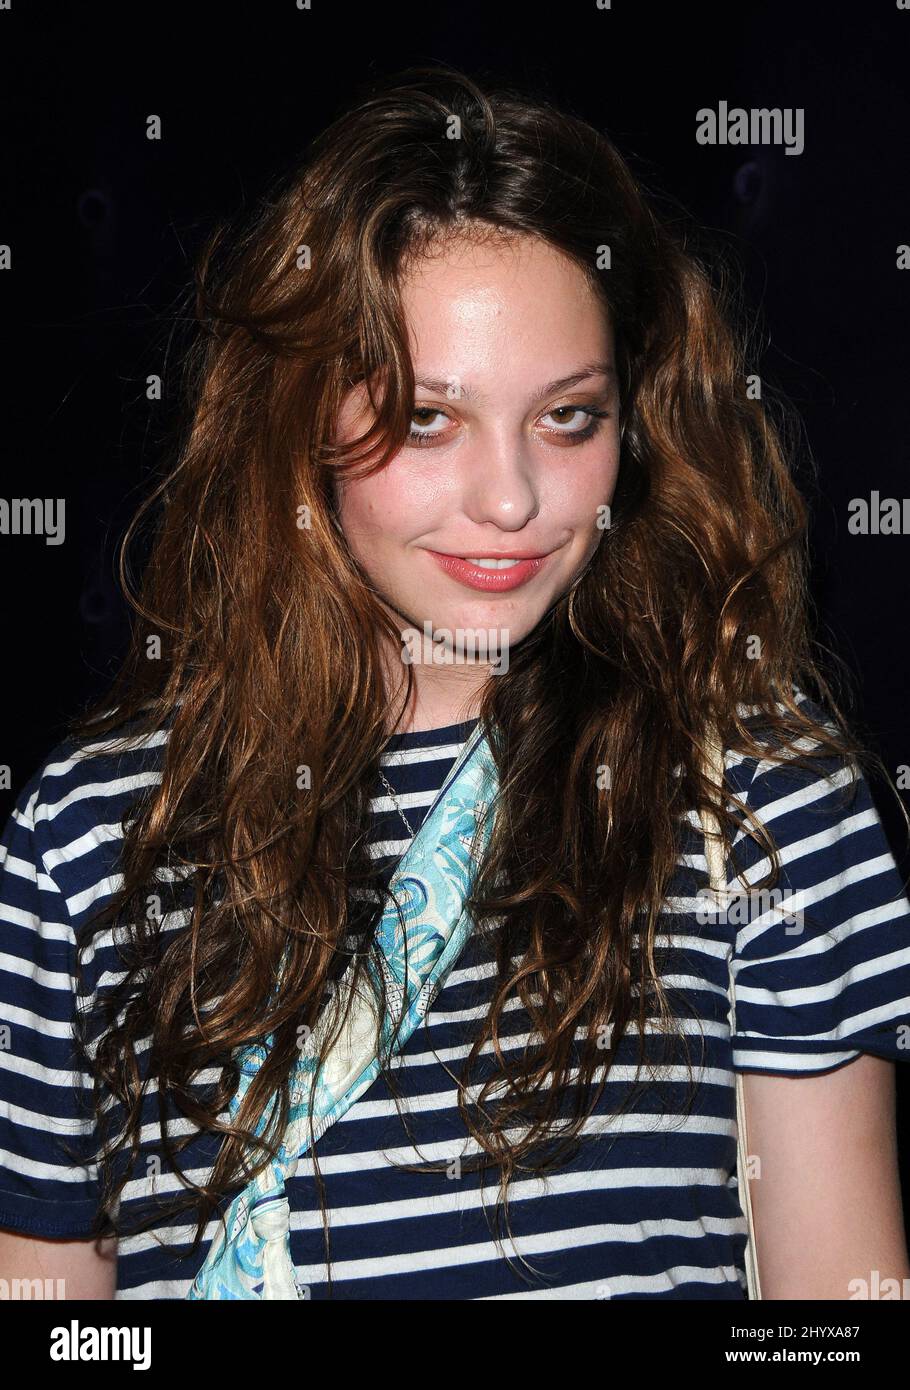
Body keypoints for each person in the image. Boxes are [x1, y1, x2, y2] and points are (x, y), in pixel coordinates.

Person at [1, 64, 909, 1301]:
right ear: (298, 424)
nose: (511, 499)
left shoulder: (757, 804)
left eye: (568, 418)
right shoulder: (97, 836)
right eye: (430, 419)